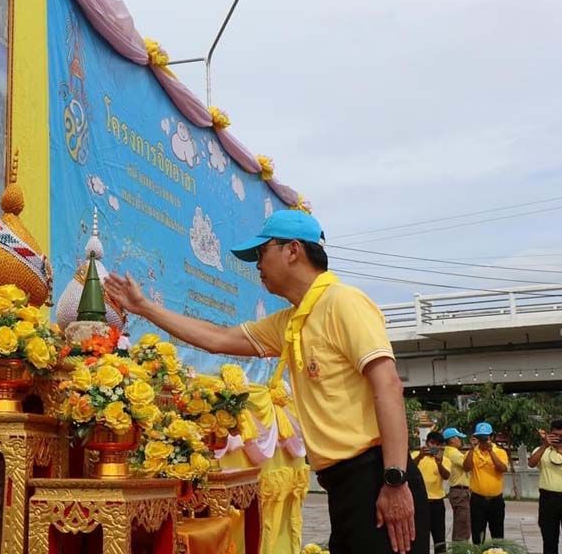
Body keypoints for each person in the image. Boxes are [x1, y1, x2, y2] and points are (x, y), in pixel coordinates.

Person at [104, 209, 429, 554]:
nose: (257, 265)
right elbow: (218, 338)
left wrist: (395, 480)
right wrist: (144, 308)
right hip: (345, 486)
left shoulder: (343, 303)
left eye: (261, 254)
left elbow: (389, 386)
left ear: (292, 251)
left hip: (377, 476)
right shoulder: (294, 320)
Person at [528, 419, 562, 554]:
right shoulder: (541, 450)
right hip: (548, 499)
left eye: (561, 436)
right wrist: (544, 445)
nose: (558, 438)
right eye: (555, 435)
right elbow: (531, 463)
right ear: (549, 434)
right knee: (549, 539)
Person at [462, 422, 509, 544]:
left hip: (496, 500)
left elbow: (503, 469)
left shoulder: (500, 452)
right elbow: (466, 468)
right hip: (478, 500)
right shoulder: (472, 452)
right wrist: (472, 448)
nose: (483, 441)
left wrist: (491, 451)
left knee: (498, 536)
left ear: (491, 437)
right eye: (480, 438)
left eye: (485, 438)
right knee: (477, 536)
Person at [413, 431, 451, 553]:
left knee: (439, 538)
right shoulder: (415, 455)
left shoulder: (444, 459)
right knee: (419, 537)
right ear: (427, 443)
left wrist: (439, 463)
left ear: (441, 446)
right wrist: (420, 456)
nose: (434, 446)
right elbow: (409, 471)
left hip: (437, 503)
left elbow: (446, 476)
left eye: (438, 444)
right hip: (419, 502)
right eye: (432, 443)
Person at [441, 427, 471, 543]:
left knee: (460, 524)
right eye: (458, 438)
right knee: (463, 526)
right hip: (460, 492)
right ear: (452, 440)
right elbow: (467, 465)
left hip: (457, 491)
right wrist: (472, 451)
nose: (460, 440)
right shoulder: (453, 453)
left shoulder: (449, 451)